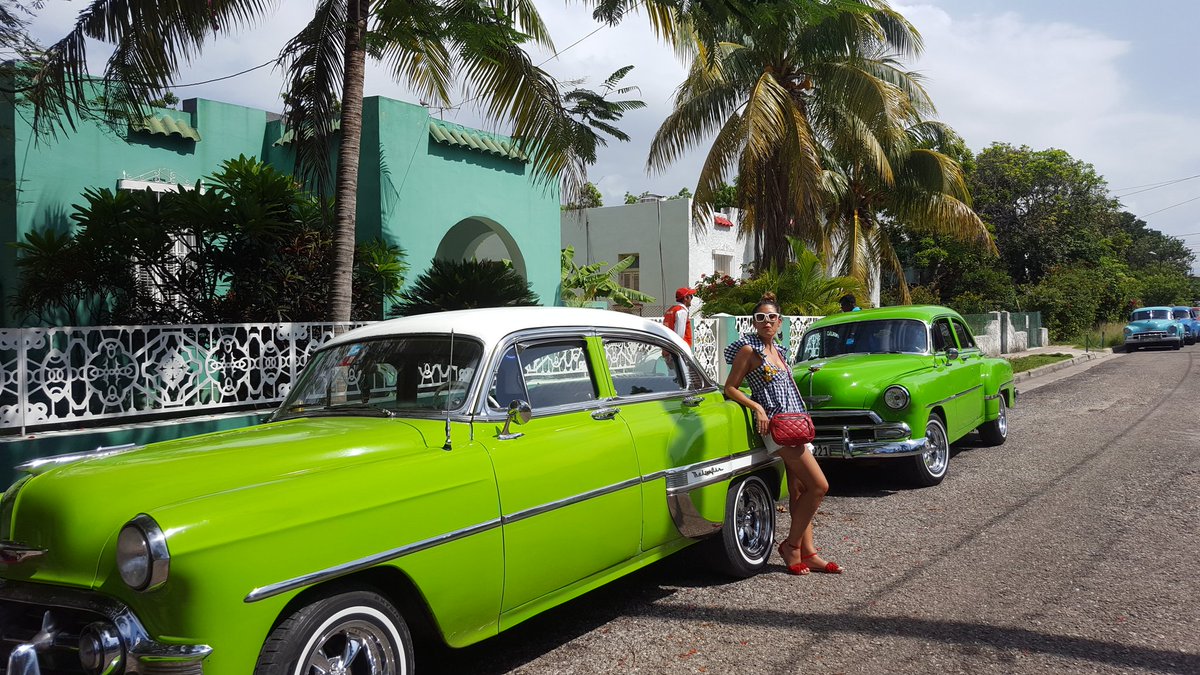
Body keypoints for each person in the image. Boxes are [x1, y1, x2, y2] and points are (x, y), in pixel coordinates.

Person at [723, 292, 843, 575]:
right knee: (819, 486)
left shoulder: (779, 351)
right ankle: (790, 546)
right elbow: (731, 387)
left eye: (772, 317)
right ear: (754, 322)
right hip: (777, 427)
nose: (767, 322)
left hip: (796, 424)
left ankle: (809, 553)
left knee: (799, 489)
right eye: (761, 318)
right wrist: (757, 408)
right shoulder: (748, 351)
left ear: (779, 322)